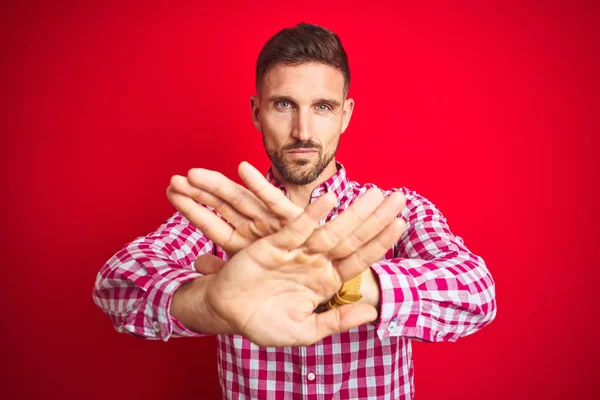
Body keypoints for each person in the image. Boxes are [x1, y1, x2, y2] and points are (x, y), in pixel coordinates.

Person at [93, 23, 497, 399]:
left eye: (322, 107)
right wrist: (208, 303)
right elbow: (117, 283)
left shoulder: (392, 211)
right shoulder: (221, 215)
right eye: (284, 104)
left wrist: (345, 284)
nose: (303, 131)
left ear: (345, 115)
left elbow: (476, 292)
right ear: (256, 112)